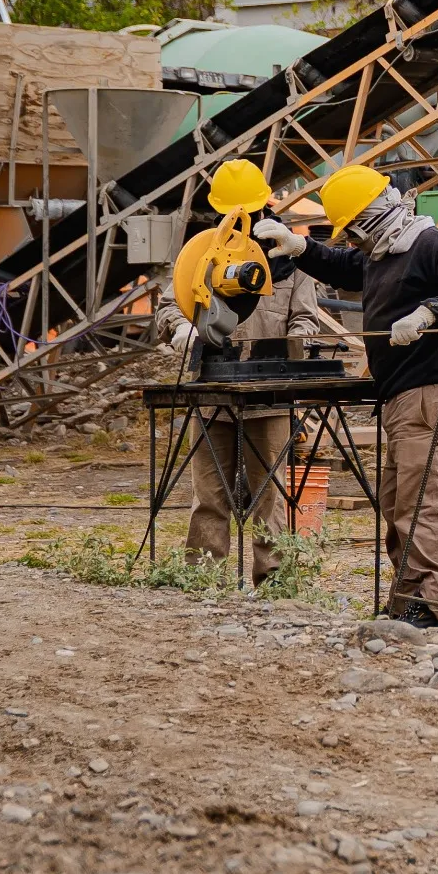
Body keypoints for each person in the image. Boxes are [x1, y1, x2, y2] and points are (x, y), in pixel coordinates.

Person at [260, 165, 438, 629]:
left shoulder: (431, 244)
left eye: (353, 231)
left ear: (368, 217)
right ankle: (408, 604)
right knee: (398, 501)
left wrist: (427, 313)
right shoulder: (386, 252)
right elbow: (347, 266)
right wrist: (302, 247)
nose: (354, 242)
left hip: (434, 394)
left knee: (427, 503)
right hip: (406, 397)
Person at [164, 160, 329, 585]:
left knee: (269, 496)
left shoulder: (289, 258)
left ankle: (273, 579)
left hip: (270, 396)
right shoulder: (203, 252)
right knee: (210, 495)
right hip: (212, 391)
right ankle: (203, 580)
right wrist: (182, 326)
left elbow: (306, 320)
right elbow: (172, 301)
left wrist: (292, 354)